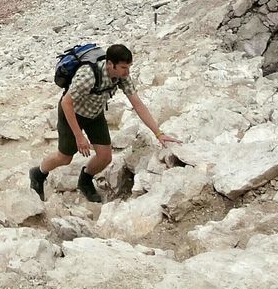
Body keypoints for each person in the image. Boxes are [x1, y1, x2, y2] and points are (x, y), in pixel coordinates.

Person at [28, 43, 180, 203]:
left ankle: (85, 180)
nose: (127, 72)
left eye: (128, 67)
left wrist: (159, 133)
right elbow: (66, 103)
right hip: (72, 113)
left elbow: (137, 104)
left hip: (94, 113)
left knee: (105, 157)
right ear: (109, 64)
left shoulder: (122, 76)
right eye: (123, 67)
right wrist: (79, 137)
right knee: (65, 158)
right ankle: (38, 173)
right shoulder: (88, 76)